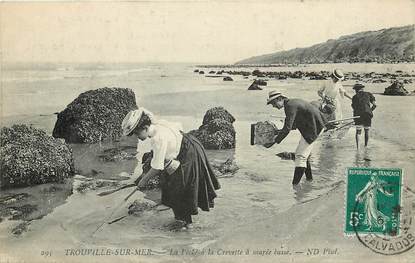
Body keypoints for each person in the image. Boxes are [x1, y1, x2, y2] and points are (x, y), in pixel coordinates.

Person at [121, 108, 220, 229]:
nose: (137, 137)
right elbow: (178, 127)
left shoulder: (158, 139)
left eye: (137, 134)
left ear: (146, 128)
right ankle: (182, 220)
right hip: (190, 144)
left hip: (189, 153)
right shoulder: (158, 124)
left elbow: (157, 167)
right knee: (172, 185)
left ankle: (187, 225)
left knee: (182, 188)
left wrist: (143, 180)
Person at [264, 91, 327, 186]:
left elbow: (287, 128)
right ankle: (309, 180)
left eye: (273, 103)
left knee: (300, 157)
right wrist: (278, 132)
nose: (273, 106)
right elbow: (292, 124)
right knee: (303, 155)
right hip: (313, 127)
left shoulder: (290, 106)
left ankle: (295, 186)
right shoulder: (291, 103)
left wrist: (274, 141)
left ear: (279, 99)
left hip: (314, 128)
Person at [351, 83, 376, 149]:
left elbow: (353, 107)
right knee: (366, 130)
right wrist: (370, 111)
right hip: (367, 114)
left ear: (356, 90)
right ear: (362, 89)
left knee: (358, 131)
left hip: (358, 115)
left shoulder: (354, 97)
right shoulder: (369, 94)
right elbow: (375, 105)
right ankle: (366, 146)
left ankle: (358, 148)